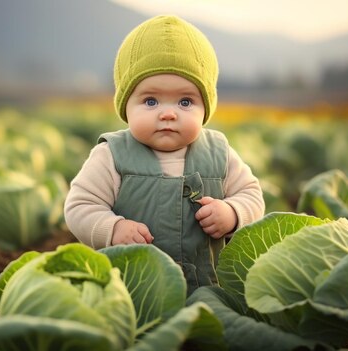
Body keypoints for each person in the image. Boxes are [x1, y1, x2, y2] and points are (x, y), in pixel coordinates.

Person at [64, 15, 265, 294]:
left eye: (185, 101)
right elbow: (79, 206)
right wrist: (112, 229)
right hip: (131, 295)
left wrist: (232, 213)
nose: (168, 113)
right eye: (150, 101)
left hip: (208, 293)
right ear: (125, 105)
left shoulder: (219, 154)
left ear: (205, 108)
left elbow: (252, 195)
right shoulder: (111, 156)